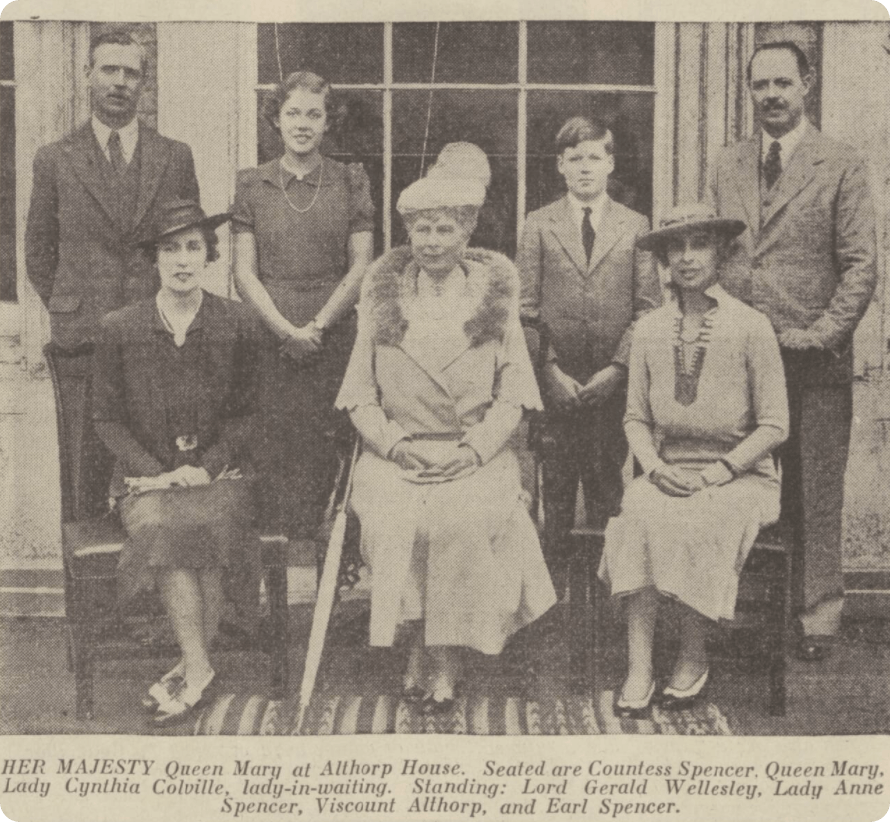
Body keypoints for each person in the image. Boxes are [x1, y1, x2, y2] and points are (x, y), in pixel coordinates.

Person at [335, 171, 557, 709]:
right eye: (422, 230)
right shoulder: (382, 298)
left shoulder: (494, 301)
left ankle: (447, 654)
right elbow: (359, 398)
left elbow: (513, 399)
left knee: (457, 521)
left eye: (444, 229)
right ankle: (415, 637)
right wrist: (393, 445)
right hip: (398, 452)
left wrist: (473, 450)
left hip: (476, 451)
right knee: (394, 519)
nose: (432, 242)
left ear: (468, 233)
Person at [709, 41, 877, 661]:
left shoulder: (841, 163)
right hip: (743, 357)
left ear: (806, 85)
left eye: (783, 83)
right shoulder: (729, 163)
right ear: (749, 92)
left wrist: (822, 334)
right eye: (760, 86)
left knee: (812, 491)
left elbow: (861, 267)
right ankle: (745, 607)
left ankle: (816, 619)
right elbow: (722, 253)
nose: (772, 96)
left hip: (813, 360)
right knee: (745, 481)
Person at [599, 203, 789, 717]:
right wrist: (655, 469)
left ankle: (692, 653)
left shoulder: (752, 326)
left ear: (720, 253)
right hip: (667, 468)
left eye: (698, 245)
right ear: (663, 260)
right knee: (639, 513)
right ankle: (639, 665)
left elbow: (775, 424)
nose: (686, 258)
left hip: (739, 477)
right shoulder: (649, 329)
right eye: (674, 248)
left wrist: (717, 473)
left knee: (700, 518)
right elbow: (635, 417)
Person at [91, 200, 261, 726]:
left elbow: (249, 414)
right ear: (154, 259)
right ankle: (198, 667)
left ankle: (192, 668)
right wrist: (157, 471)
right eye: (170, 249)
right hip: (148, 478)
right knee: (164, 522)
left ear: (209, 255)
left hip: (218, 475)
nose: (182, 260)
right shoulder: (120, 327)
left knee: (207, 518)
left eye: (193, 247)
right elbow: (106, 419)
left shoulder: (237, 322)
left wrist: (207, 466)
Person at [26, 29, 200, 518]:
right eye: (109, 69)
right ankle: (86, 591)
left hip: (157, 341)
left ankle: (153, 592)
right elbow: (39, 254)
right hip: (82, 343)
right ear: (88, 76)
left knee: (157, 475)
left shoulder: (174, 156)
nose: (120, 82)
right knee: (83, 478)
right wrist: (74, 304)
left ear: (144, 83)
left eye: (132, 72)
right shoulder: (55, 159)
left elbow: (190, 245)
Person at [517, 117, 661, 593]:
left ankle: (609, 599)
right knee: (555, 495)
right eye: (574, 159)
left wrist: (619, 370)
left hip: (610, 389)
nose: (584, 168)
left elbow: (646, 310)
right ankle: (552, 602)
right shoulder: (538, 225)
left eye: (594, 158)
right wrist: (549, 369)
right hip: (555, 389)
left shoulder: (635, 225)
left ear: (611, 163)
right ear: (560, 166)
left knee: (608, 491)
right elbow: (527, 310)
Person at [232, 70, 374, 542]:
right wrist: (285, 331)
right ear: (276, 118)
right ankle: (276, 579)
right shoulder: (252, 184)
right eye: (293, 112)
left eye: (315, 114)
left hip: (332, 339)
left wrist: (316, 326)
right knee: (272, 449)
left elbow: (360, 267)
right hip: (268, 340)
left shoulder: (349, 180)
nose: (303, 123)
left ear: (328, 121)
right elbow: (243, 273)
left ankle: (328, 573)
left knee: (327, 450)